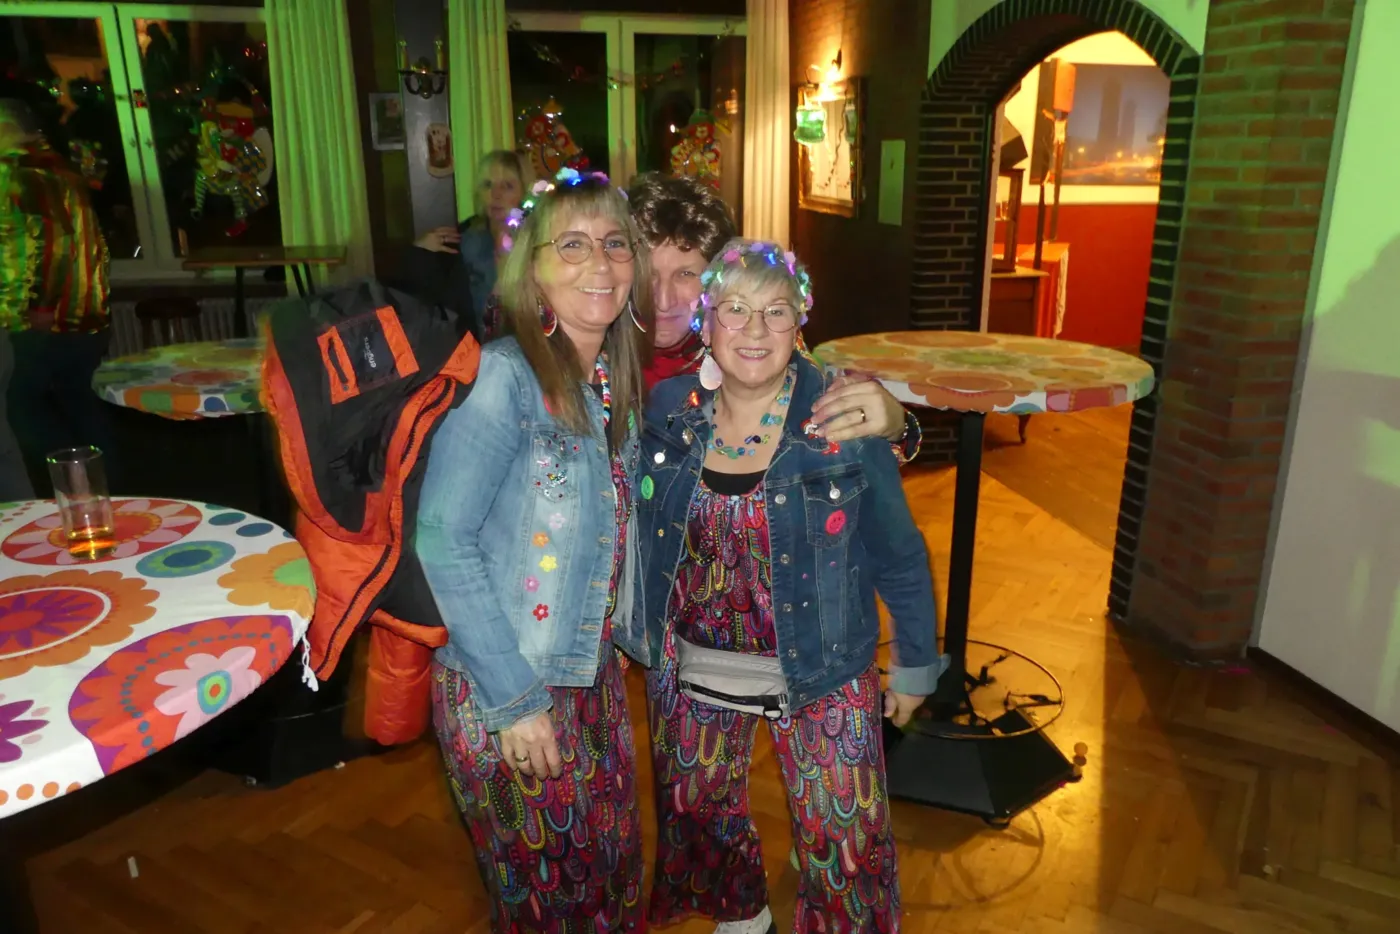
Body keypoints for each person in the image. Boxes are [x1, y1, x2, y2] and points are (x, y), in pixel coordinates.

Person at [636, 239, 943, 933]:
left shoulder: (840, 421)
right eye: (735, 309)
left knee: (845, 838)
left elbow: (899, 553)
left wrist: (916, 664)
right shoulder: (669, 407)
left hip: (822, 667)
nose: (754, 329)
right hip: (693, 668)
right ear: (706, 321)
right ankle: (744, 917)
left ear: (799, 323)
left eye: (775, 311)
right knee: (702, 814)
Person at [414, 167, 651, 931]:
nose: (599, 262)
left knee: (611, 876)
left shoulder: (609, 384)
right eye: (572, 244)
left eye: (614, 243)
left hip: (588, 673)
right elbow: (442, 538)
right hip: (505, 685)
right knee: (550, 901)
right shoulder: (505, 376)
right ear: (533, 271)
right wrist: (516, 702)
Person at [627, 172, 922, 456]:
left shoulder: (752, 344)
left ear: (717, 282)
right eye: (648, 274)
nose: (662, 301)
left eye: (686, 274)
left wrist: (897, 428)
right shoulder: (608, 353)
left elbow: (833, 430)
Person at [0, 98, 115, 496]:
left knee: (19, 411)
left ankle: (74, 481)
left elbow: (57, 241)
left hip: (42, 320)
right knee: (82, 405)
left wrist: (41, 304)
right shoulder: (62, 167)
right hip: (85, 316)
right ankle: (105, 492)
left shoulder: (25, 171)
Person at [407, 149, 529, 339]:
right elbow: (426, 302)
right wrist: (420, 252)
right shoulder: (463, 239)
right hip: (475, 349)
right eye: (487, 185)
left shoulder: (538, 240)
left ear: (524, 192)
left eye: (507, 186)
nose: (495, 194)